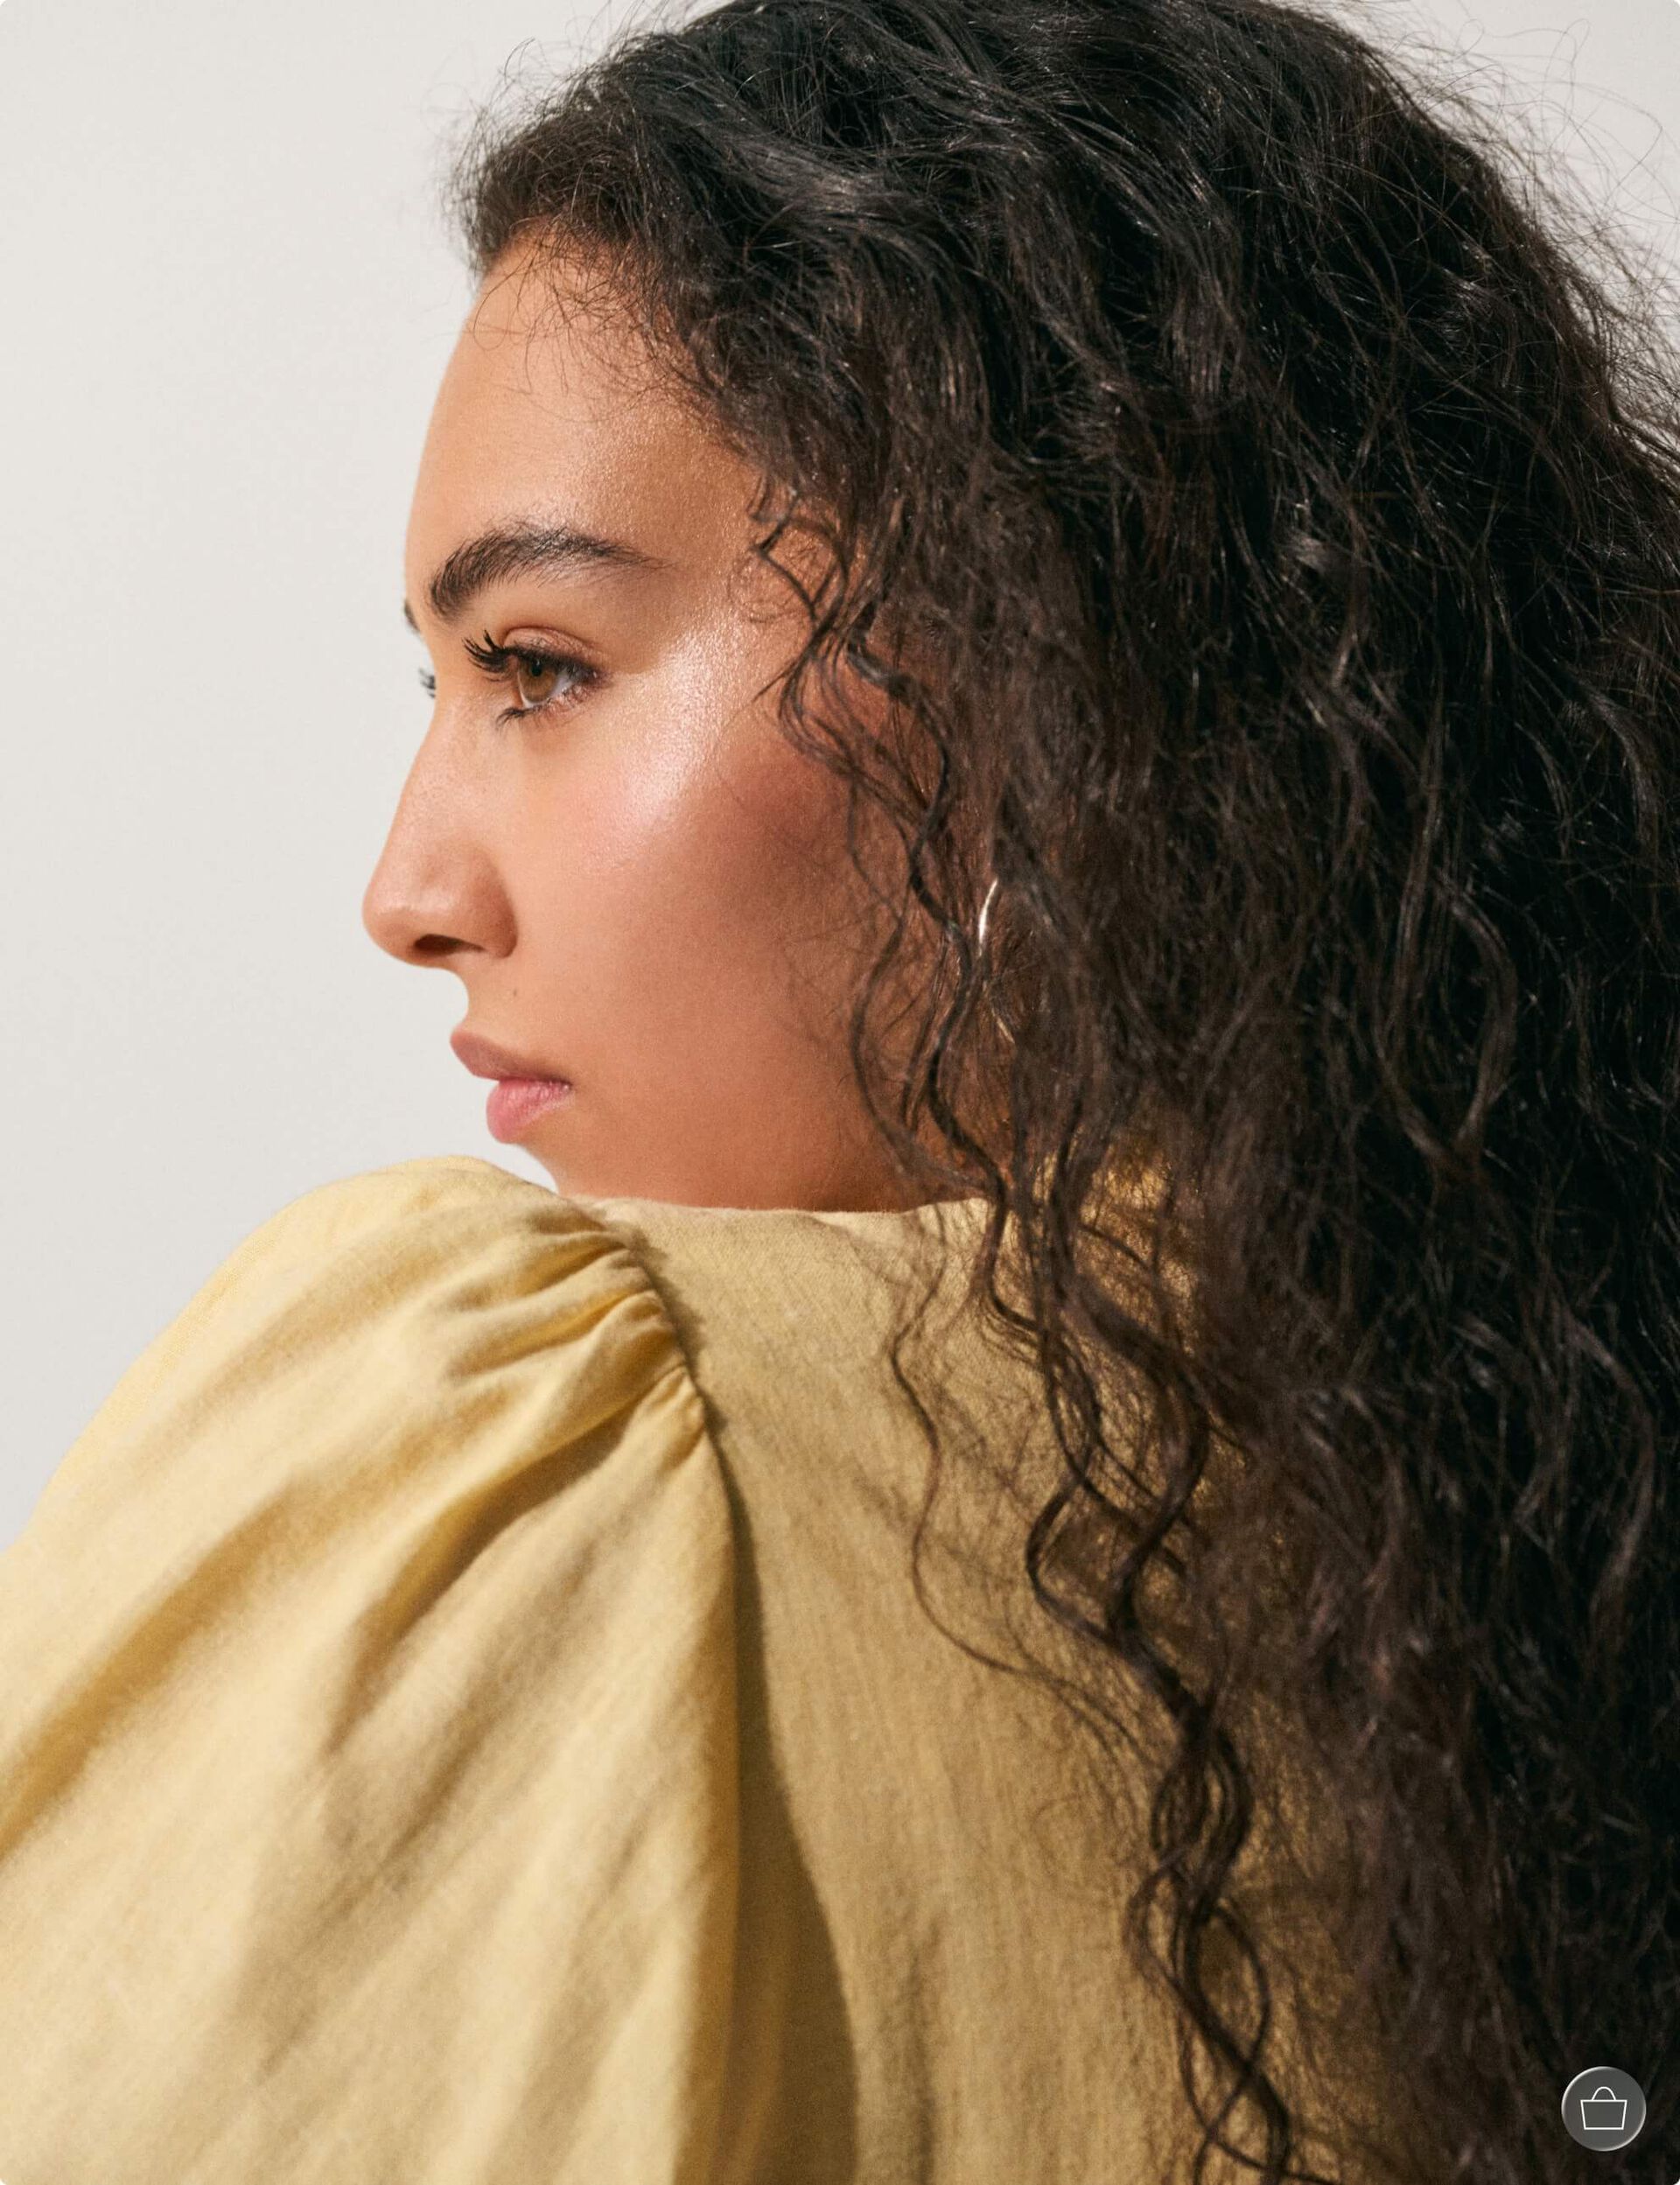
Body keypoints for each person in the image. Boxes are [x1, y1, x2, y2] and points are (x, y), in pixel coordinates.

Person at [0, 0, 1676, 2178]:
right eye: (445, 684)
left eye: (540, 668)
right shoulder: (1547, 1552)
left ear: (1063, 671)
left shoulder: (542, 1457)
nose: (408, 893)